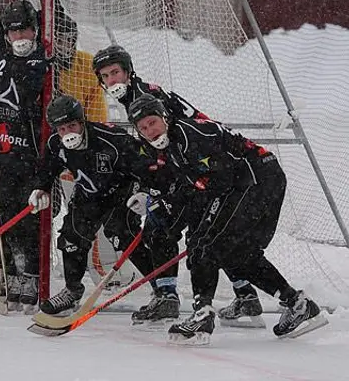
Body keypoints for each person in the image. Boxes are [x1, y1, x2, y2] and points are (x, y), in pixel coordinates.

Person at [127, 94, 328, 344]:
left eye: (153, 122)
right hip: (254, 182)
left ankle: (202, 313)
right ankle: (299, 304)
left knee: (203, 244)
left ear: (165, 118)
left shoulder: (190, 136)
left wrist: (189, 218)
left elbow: (219, 181)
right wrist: (163, 204)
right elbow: (193, 185)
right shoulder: (171, 147)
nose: (150, 131)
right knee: (237, 254)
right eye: (143, 128)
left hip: (255, 181)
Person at [93, 44, 265, 328]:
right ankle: (242, 292)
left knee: (181, 232)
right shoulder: (136, 95)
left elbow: (175, 137)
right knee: (201, 234)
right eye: (106, 76)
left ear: (128, 71)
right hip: (191, 167)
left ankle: (170, 297)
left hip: (200, 168)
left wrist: (163, 185)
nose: (112, 81)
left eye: (116, 73)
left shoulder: (144, 97)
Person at [29, 94, 165, 316]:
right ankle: (72, 291)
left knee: (123, 234)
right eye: (62, 129)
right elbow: (47, 169)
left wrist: (144, 192)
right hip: (88, 194)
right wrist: (40, 188)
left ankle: (162, 289)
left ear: (82, 121)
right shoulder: (55, 144)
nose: (68, 134)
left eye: (72, 126)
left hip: (120, 193)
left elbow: (145, 165)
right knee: (71, 236)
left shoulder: (112, 138)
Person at [0, 0, 48, 313]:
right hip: (1, 151)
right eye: (13, 31)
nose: (19, 36)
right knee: (3, 214)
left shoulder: (42, 61)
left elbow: (36, 98)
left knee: (28, 217)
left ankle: (31, 274)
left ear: (34, 29)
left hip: (29, 155)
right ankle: (11, 272)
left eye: (24, 29)